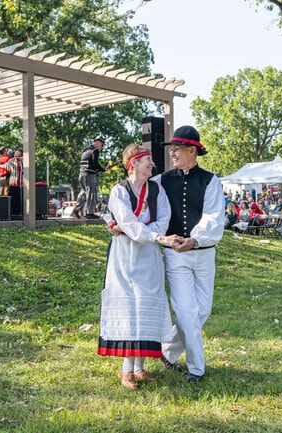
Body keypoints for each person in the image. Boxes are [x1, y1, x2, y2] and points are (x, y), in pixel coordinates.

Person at [97, 143, 175, 390]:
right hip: (124, 255)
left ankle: (139, 369)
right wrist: (149, 235)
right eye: (148, 160)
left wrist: (150, 235)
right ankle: (126, 370)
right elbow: (127, 222)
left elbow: (164, 219)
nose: (153, 164)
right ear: (134, 163)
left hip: (148, 252)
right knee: (129, 306)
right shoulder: (119, 191)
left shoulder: (157, 189)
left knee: (146, 303)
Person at [153, 125, 224, 383]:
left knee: (202, 311)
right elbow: (137, 195)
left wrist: (196, 240)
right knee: (185, 312)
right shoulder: (161, 181)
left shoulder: (210, 181)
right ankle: (197, 369)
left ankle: (167, 352)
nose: (172, 154)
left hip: (204, 254)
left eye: (177, 150)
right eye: (171, 150)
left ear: (192, 151)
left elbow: (214, 217)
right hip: (175, 255)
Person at [71, 136, 109, 219]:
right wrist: (102, 169)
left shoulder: (85, 150)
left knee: (83, 193)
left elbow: (89, 163)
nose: (101, 147)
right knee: (92, 193)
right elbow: (95, 163)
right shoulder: (95, 150)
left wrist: (97, 169)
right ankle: (90, 213)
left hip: (82, 174)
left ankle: (75, 211)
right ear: (99, 143)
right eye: (102, 145)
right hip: (89, 175)